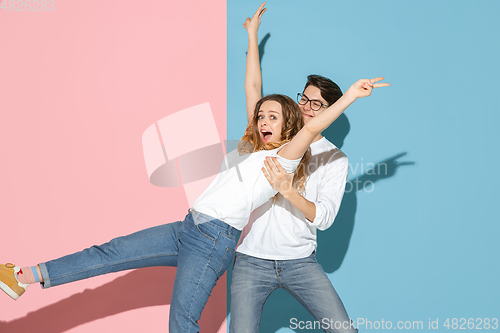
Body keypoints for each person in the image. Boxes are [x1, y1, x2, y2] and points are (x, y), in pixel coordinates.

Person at [0, 72, 389, 331]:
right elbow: (253, 89)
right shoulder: (251, 147)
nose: (264, 121)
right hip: (186, 228)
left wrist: (351, 96)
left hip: (214, 242)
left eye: (273, 116)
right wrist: (252, 39)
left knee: (182, 322)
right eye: (260, 117)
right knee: (111, 252)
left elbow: (315, 126)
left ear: (289, 126)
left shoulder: (284, 157)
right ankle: (23, 276)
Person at [229, 3, 380, 332]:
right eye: (304, 99)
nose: (308, 108)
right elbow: (253, 91)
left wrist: (287, 190)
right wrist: (252, 37)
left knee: (343, 330)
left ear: (330, 110)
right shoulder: (271, 135)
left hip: (300, 262)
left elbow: (324, 218)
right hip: (251, 260)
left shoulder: (336, 159)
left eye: (318, 104)